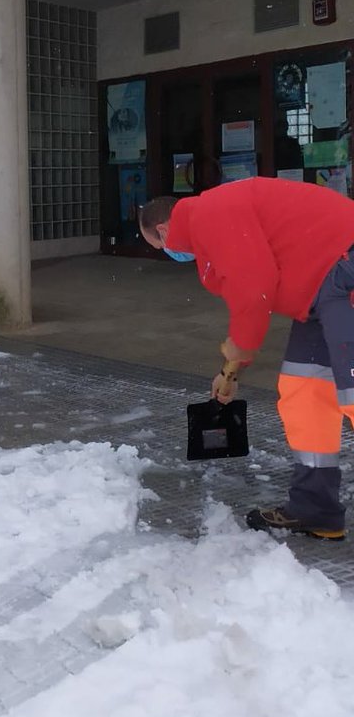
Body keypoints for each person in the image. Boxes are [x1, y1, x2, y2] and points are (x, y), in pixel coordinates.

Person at [139, 178, 354, 540]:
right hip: (318, 293)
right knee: (303, 392)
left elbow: (255, 290)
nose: (168, 252)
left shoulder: (211, 213)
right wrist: (232, 369)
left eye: (160, 245)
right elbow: (249, 291)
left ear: (164, 228)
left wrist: (240, 349)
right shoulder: (212, 221)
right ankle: (316, 508)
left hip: (344, 271)